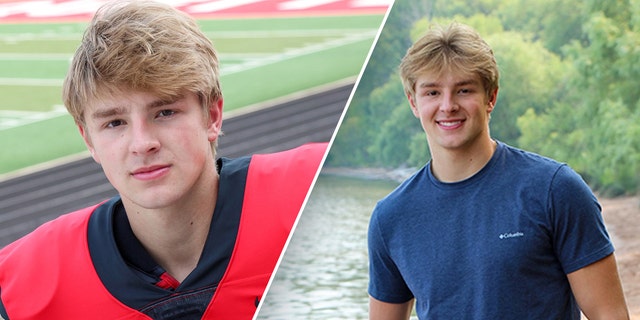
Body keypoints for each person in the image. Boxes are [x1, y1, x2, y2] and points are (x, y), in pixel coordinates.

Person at [0, 1, 327, 319]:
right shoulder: (29, 279)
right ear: (89, 140)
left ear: (212, 115)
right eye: (115, 123)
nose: (142, 144)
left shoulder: (310, 190)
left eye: (165, 112)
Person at [367, 22, 630, 319]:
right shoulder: (391, 218)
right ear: (413, 101)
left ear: (490, 97)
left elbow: (609, 314)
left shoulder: (554, 190)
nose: (448, 105)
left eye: (463, 90)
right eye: (432, 93)